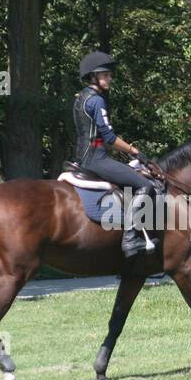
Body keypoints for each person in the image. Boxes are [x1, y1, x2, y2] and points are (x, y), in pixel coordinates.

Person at [72, 50, 159, 258]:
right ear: (94, 76)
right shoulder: (97, 101)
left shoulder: (80, 98)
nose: (110, 78)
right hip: (96, 159)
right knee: (145, 185)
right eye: (106, 75)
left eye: (110, 75)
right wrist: (134, 151)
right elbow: (109, 138)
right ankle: (130, 239)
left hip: (82, 158)